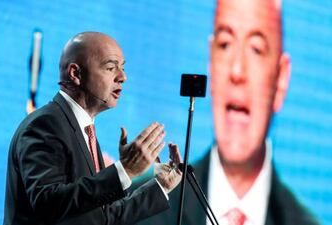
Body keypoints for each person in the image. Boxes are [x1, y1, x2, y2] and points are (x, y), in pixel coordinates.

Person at [136, 0, 319, 225]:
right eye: (225, 44)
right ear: (211, 63)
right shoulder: (144, 206)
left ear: (281, 80)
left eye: (256, 49)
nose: (236, 71)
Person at [3, 32, 182, 225]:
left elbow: (101, 218)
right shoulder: (45, 124)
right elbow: (47, 203)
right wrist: (125, 170)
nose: (123, 77)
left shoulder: (84, 129)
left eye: (122, 68)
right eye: (111, 67)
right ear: (76, 74)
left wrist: (161, 186)